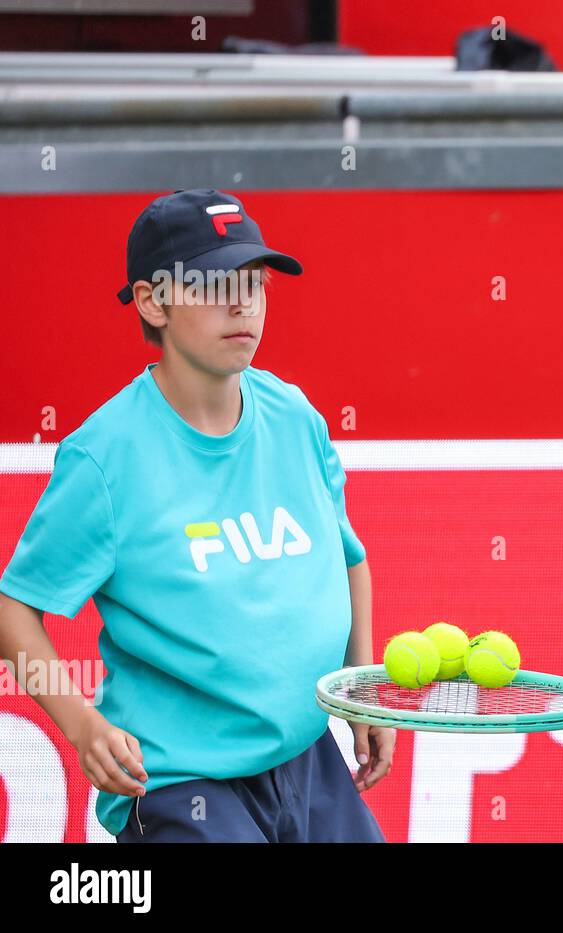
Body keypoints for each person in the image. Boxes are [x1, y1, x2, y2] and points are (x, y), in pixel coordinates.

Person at [0, 188, 393, 841]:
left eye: (254, 281)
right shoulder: (105, 456)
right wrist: (81, 724)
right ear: (153, 300)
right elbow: (15, 610)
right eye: (213, 283)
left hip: (309, 760)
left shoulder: (297, 417)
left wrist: (361, 689)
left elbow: (348, 558)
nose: (243, 302)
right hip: (183, 785)